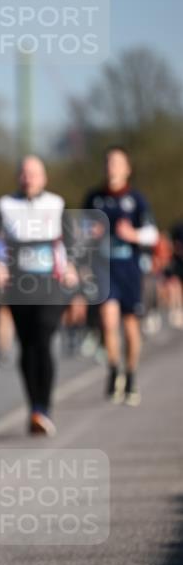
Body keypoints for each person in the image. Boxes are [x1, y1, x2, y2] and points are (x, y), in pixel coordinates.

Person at [0, 156, 78, 437]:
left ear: (44, 178)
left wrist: (72, 266)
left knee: (43, 336)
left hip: (51, 284)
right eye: (24, 173)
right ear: (18, 177)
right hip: (18, 285)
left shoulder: (56, 204)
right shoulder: (4, 205)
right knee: (27, 345)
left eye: (34, 174)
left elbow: (71, 241)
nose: (28, 178)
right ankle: (34, 407)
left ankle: (45, 406)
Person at [83, 146, 158, 405]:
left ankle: (132, 374)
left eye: (116, 162)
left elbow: (153, 234)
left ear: (127, 169)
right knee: (107, 319)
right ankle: (114, 370)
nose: (111, 167)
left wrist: (134, 235)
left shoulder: (136, 199)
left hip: (129, 269)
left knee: (130, 326)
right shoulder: (94, 198)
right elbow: (80, 230)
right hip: (105, 268)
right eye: (107, 162)